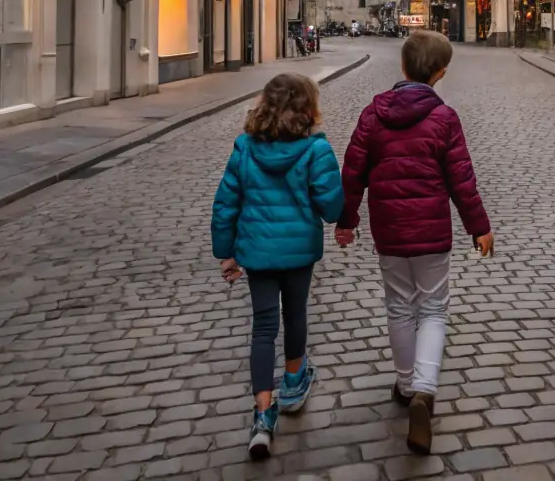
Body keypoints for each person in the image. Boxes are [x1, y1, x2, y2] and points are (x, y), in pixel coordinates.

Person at [335, 29, 493, 455]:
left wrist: (346, 219)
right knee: (434, 307)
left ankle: (406, 385)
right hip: (432, 234)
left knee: (400, 306)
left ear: (402, 67)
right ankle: (425, 388)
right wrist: (479, 226)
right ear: (440, 74)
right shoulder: (444, 119)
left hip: (389, 233)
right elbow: (462, 180)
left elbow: (352, 172)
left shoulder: (373, 114)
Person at [211, 73, 344, 461]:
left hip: (257, 252)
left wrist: (227, 252)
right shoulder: (315, 150)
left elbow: (225, 204)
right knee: (296, 313)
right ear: (308, 106)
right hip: (299, 251)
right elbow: (331, 207)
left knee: (264, 326)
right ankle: (293, 382)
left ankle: (263, 414)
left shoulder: (245, 147)